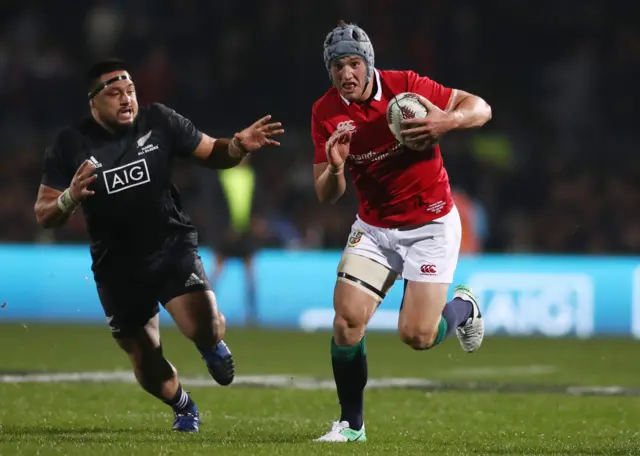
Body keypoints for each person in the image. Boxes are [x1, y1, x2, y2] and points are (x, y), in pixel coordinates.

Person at [33, 59, 284, 433]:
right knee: (145, 359)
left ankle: (210, 341)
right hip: (116, 266)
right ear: (93, 103)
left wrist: (237, 146)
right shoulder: (71, 144)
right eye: (114, 93)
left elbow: (211, 151)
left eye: (130, 90)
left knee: (204, 323)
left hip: (170, 246)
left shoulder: (159, 121)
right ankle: (183, 405)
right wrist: (69, 198)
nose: (126, 99)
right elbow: (44, 212)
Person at [311, 22, 492, 442]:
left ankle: (464, 308)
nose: (347, 74)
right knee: (346, 323)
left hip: (430, 224)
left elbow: (481, 108)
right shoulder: (325, 112)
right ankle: (352, 426)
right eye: (338, 66)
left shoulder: (406, 87)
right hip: (374, 228)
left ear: (368, 62)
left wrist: (446, 122)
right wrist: (336, 167)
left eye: (354, 63)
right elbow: (327, 194)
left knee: (418, 336)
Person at [211, 155, 259, 326]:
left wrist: (255, 222)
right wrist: (223, 228)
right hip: (226, 233)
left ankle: (252, 314)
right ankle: (206, 309)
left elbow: (256, 202)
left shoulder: (251, 176)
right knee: (216, 273)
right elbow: (215, 205)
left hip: (245, 233)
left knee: (250, 275)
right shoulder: (223, 175)